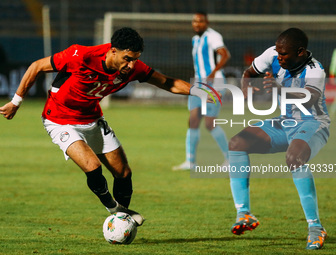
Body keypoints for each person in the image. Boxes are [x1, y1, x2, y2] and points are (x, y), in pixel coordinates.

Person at [0, 27, 211, 227]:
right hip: (59, 119)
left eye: (135, 59)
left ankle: (121, 222)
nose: (131, 65)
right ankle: (115, 210)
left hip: (92, 119)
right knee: (92, 166)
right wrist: (15, 102)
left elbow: (166, 82)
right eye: (127, 59)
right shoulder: (80, 56)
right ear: (113, 51)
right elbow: (36, 66)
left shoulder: (132, 68)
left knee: (123, 173)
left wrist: (197, 91)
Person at [228, 28, 329, 250]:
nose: (279, 56)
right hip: (285, 121)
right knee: (236, 143)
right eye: (278, 52)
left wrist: (279, 89)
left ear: (300, 52)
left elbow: (310, 99)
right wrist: (246, 91)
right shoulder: (272, 54)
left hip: (313, 123)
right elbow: (248, 72)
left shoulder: (315, 70)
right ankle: (244, 214)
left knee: (294, 158)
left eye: (284, 54)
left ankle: (315, 227)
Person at [173, 12, 231, 171]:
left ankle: (230, 159)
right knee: (192, 120)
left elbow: (225, 55)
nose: (197, 24)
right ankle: (190, 161)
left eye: (200, 21)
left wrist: (212, 74)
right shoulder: (195, 39)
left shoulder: (213, 36)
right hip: (199, 83)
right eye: (194, 21)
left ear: (206, 22)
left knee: (210, 123)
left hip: (214, 83)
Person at [328, 47, 336, 116]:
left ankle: (332, 111)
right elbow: (334, 64)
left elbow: (334, 64)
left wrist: (332, 76)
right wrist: (332, 76)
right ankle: (332, 111)